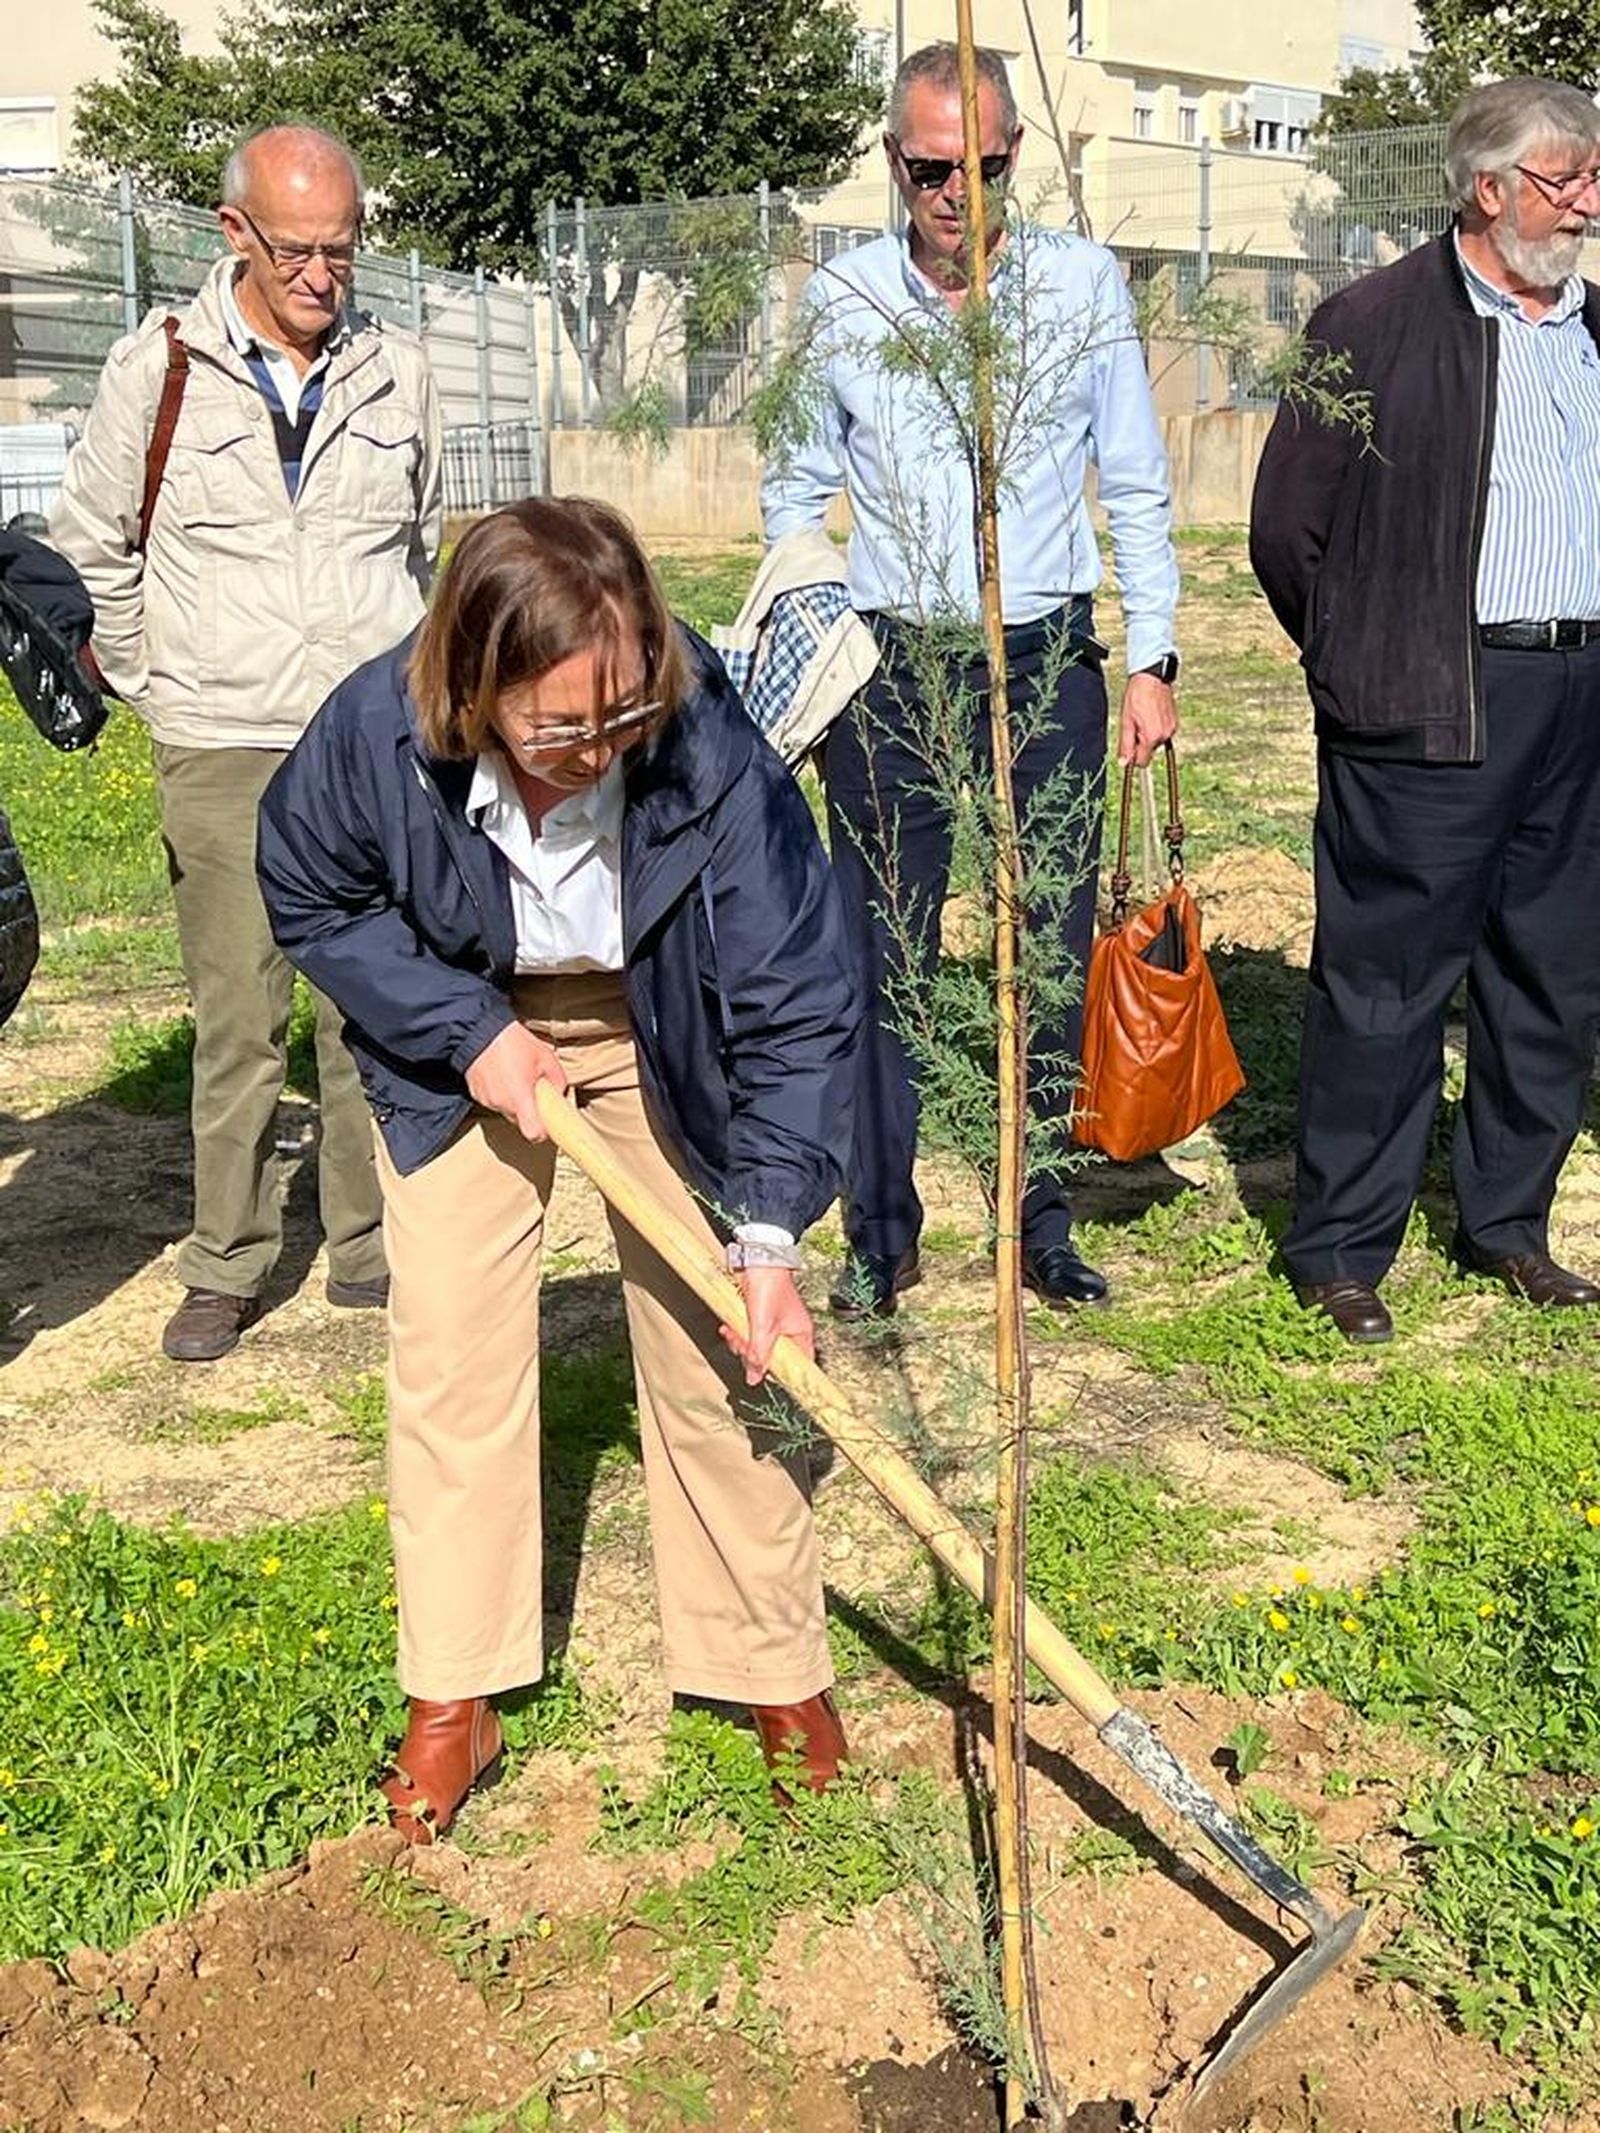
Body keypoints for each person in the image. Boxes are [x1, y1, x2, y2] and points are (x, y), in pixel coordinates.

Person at [256, 497, 860, 1839]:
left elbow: (790, 993)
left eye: (622, 720)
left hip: (659, 1017)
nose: (598, 754)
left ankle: (767, 1659)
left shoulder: (699, 737)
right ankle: (456, 1688)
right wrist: (469, 1033)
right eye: (562, 728)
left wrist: (765, 1238)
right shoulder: (374, 735)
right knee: (455, 1354)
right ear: (474, 687)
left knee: (726, 1344)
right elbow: (311, 892)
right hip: (457, 1021)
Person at [761, 40, 1180, 1320]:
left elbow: (1137, 483)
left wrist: (1152, 656)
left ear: (1015, 158)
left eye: (987, 167)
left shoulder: (1076, 287)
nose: (960, 194)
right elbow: (790, 492)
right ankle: (879, 1233)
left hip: (1046, 654)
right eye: (935, 167)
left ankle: (1039, 1214)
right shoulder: (843, 303)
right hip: (892, 666)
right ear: (895, 159)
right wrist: (820, 619)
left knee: (1044, 949)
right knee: (878, 953)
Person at [50, 123, 442, 1363]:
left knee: (366, 1011)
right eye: (297, 252)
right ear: (235, 234)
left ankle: (370, 1245)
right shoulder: (153, 371)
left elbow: (421, 549)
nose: (324, 276)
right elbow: (89, 545)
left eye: (341, 250)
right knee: (238, 1023)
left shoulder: (402, 373)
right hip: (222, 747)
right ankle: (227, 1259)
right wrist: (161, 682)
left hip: (372, 751)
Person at [1251, 78, 1600, 1345]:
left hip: (1578, 697)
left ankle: (1507, 1225)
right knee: (1387, 985)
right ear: (1486, 187)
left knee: (1547, 980)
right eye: (1564, 180)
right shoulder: (1370, 326)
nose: (1587, 204)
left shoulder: (1594, 328)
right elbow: (1286, 532)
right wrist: (1366, 662)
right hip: (1429, 701)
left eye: (1592, 177)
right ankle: (1341, 1249)